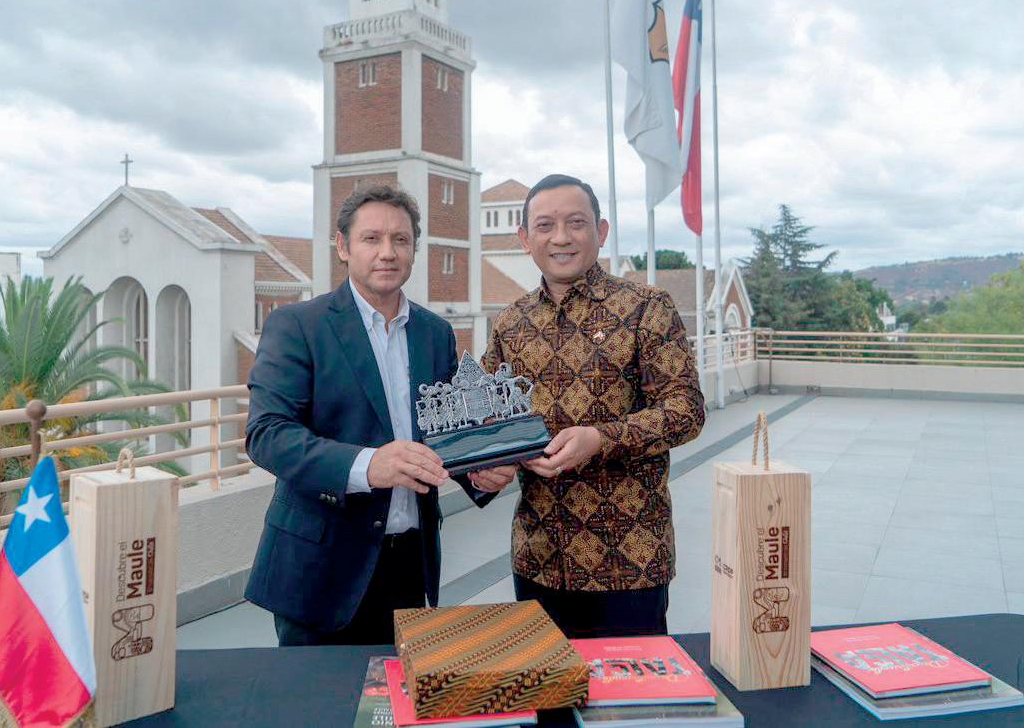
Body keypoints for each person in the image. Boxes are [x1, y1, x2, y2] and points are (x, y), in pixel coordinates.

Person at [244, 184, 516, 646]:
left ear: (414, 250)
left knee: (400, 691)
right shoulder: (297, 326)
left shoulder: (435, 333)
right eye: (371, 238)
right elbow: (267, 434)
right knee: (320, 694)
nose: (387, 252)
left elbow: (444, 430)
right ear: (343, 246)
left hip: (409, 564)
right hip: (320, 570)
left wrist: (479, 471)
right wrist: (369, 465)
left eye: (401, 240)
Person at [482, 173, 705, 638]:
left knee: (631, 686)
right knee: (547, 684)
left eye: (576, 223)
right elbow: (488, 418)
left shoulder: (646, 307)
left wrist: (600, 439)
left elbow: (685, 410)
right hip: (538, 557)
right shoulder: (510, 323)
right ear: (525, 239)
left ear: (601, 232)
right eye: (545, 226)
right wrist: (486, 464)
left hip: (630, 561)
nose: (561, 237)